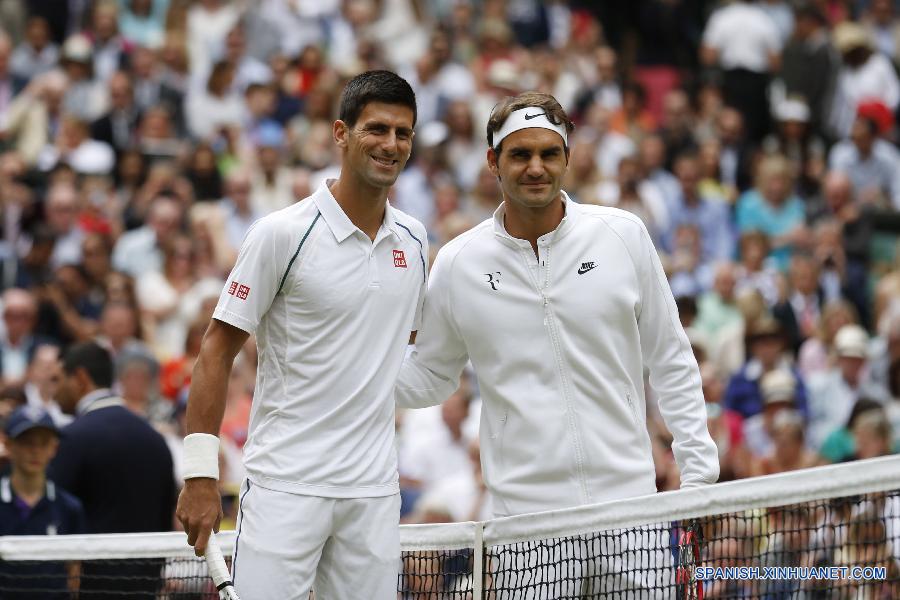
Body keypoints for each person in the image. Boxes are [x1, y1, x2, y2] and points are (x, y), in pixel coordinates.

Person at [396, 91, 718, 596]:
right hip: (526, 530)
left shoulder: (623, 235)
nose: (535, 168)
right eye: (519, 155)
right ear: (493, 162)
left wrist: (698, 478)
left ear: (567, 158)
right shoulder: (458, 263)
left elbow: (671, 358)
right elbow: (431, 376)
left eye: (549, 153)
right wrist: (349, 365)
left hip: (631, 514)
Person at [176, 70, 427, 600]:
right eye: (376, 129)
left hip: (374, 493)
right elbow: (215, 351)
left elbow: (395, 354)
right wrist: (200, 476)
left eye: (402, 133)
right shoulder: (280, 234)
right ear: (341, 134)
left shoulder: (416, 239)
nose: (391, 145)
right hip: (284, 487)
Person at [48, 341, 175, 599]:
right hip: (145, 588)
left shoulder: (71, 439)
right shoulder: (156, 440)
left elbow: (53, 516)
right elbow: (165, 518)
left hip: (90, 589)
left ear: (80, 377)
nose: (55, 391)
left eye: (58, 379)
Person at [0, 405, 86, 599]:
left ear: (54, 448)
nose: (35, 451)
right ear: (9, 444)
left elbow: (74, 573)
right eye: (27, 442)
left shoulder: (70, 508)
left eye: (44, 443)